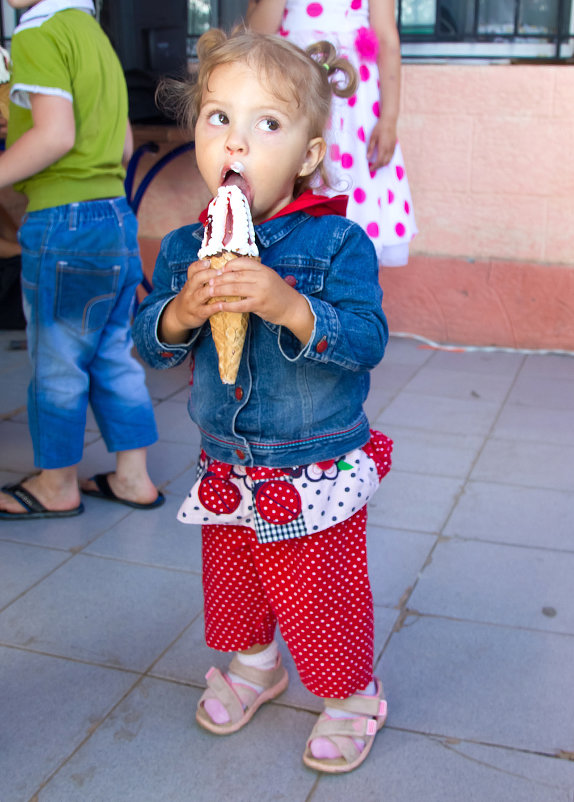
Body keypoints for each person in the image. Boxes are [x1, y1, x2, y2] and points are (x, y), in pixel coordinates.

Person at [133, 26, 393, 774]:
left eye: (267, 124)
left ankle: (351, 695)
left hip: (311, 465)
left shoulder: (338, 243)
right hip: (226, 462)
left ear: (308, 155)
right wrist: (178, 314)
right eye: (219, 118)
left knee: (322, 593)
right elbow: (149, 344)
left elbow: (368, 340)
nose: (236, 143)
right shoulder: (185, 247)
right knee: (235, 581)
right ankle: (255, 665)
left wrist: (290, 306)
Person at [0, 0, 163, 520]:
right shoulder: (93, 35)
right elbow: (122, 146)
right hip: (117, 217)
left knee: (57, 363)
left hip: (63, 224)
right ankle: (133, 478)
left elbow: (55, 135)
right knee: (113, 353)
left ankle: (56, 485)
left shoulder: (36, 32)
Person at [246, 0, 418, 267]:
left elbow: (386, 38)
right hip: (291, 84)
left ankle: (350, 279)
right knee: (295, 173)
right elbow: (256, 34)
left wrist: (389, 118)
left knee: (349, 179)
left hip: (352, 101)